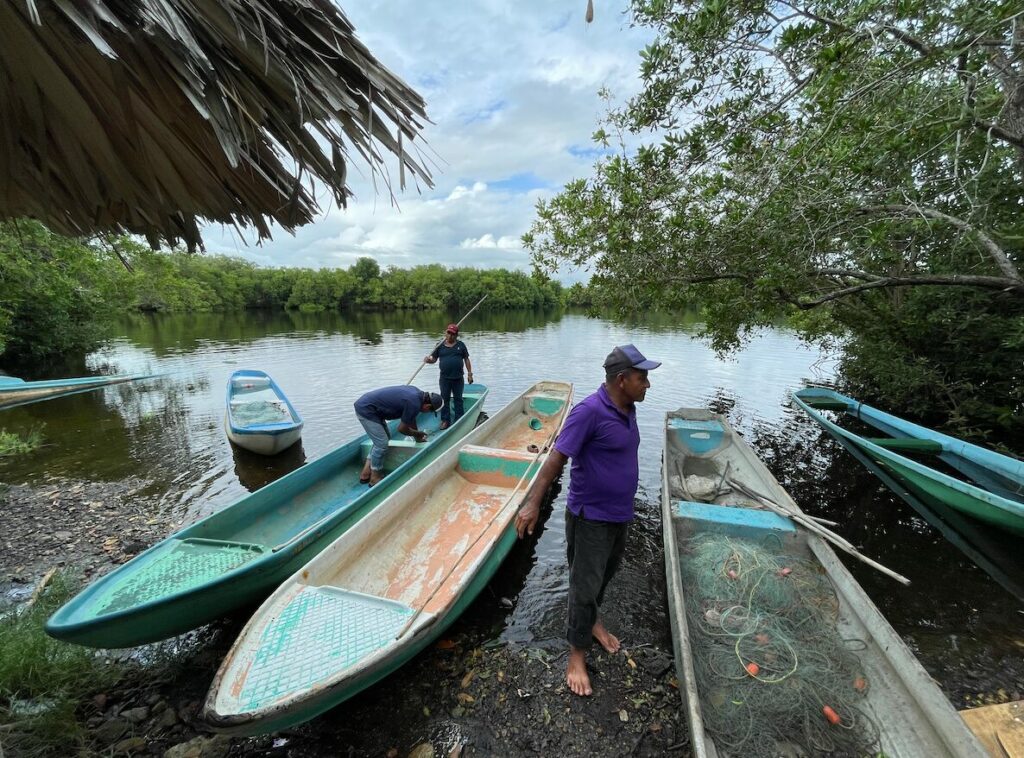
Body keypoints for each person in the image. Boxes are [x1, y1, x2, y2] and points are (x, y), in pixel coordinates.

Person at [514, 344, 660, 697]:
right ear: (622, 380)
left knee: (606, 574)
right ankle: (576, 657)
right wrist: (532, 504)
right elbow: (555, 460)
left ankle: (592, 621)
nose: (648, 385)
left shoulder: (628, 408)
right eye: (643, 378)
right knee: (584, 586)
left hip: (619, 514)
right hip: (590, 517)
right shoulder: (589, 412)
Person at [354, 386, 444, 486]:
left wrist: (416, 437)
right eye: (430, 411)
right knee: (381, 443)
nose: (428, 412)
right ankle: (375, 478)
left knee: (382, 440)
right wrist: (417, 434)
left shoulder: (417, 394)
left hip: (372, 408)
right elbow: (401, 429)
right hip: (367, 409)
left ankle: (365, 474)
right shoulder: (414, 403)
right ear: (427, 406)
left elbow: (411, 418)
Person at [422, 323, 474, 430]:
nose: (450, 336)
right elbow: (434, 360)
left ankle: (459, 419)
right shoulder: (439, 345)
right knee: (444, 399)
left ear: (456, 335)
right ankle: (445, 420)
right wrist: (428, 361)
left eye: (453, 334)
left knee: (458, 399)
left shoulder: (461, 345)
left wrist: (469, 374)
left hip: (458, 378)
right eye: (448, 333)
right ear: (445, 332)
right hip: (445, 378)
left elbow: (466, 359)